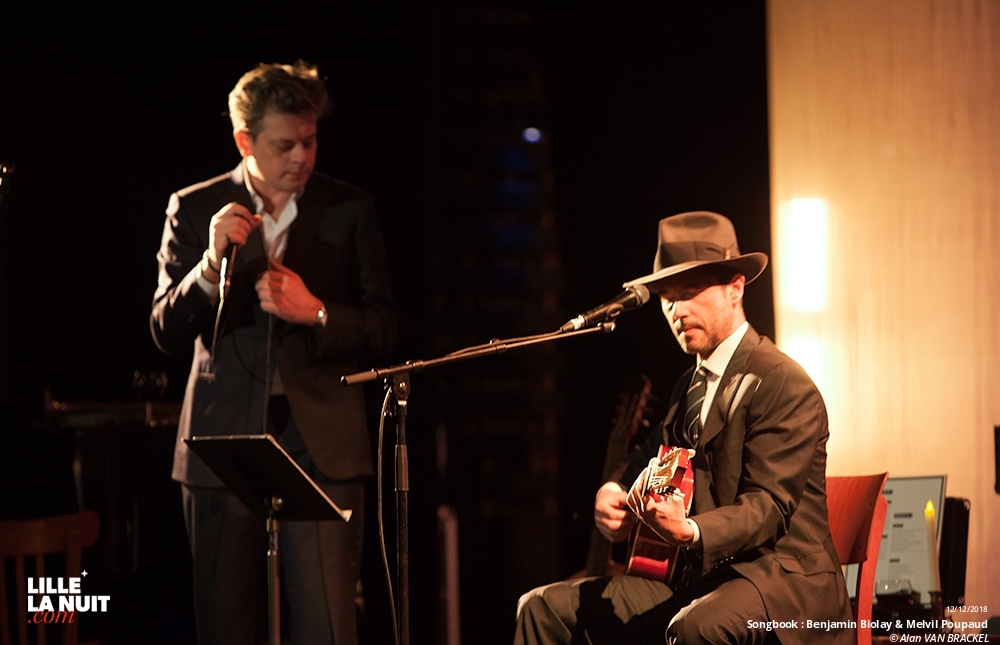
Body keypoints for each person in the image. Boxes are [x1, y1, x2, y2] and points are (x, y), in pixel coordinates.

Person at [514, 211, 853, 645]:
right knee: (541, 607)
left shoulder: (783, 381)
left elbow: (768, 505)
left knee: (697, 627)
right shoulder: (688, 387)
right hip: (701, 583)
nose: (677, 309)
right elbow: (650, 453)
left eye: (690, 292)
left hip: (782, 586)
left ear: (736, 288)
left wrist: (691, 531)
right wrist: (613, 490)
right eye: (667, 298)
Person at [150, 61, 397, 645]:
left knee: (327, 626)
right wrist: (210, 268)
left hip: (322, 445)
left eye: (309, 141)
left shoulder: (349, 207)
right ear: (245, 141)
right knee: (225, 623)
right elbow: (163, 328)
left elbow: (385, 328)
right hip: (222, 441)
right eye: (284, 144)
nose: (301, 158)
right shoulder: (194, 207)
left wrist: (315, 310)